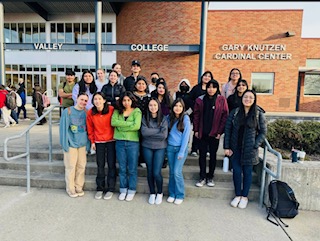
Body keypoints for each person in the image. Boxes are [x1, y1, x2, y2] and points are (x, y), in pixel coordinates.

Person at [224, 90, 267, 209]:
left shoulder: (258, 114)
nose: (247, 99)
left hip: (250, 149)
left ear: (254, 100)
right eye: (245, 97)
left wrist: (256, 144)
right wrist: (226, 147)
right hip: (235, 148)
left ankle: (244, 197)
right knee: (236, 172)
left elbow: (263, 132)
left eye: (250, 98)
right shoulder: (235, 112)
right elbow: (228, 130)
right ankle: (237, 195)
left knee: (247, 173)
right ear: (242, 98)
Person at [193, 79, 229, 187]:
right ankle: (202, 176)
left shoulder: (221, 100)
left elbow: (225, 116)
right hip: (202, 132)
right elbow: (196, 115)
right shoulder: (200, 99)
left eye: (213, 87)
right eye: (209, 87)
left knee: (213, 156)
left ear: (217, 88)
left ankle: (210, 177)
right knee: (202, 155)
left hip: (215, 134)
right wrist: (196, 129)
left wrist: (220, 131)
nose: (211, 89)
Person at [111, 91, 142, 201]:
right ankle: (123, 189)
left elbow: (137, 126)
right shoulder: (117, 111)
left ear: (132, 100)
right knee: (122, 167)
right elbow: (113, 123)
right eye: (124, 100)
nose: (126, 102)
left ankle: (132, 189)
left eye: (128, 100)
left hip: (132, 142)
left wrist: (122, 126)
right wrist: (130, 124)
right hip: (119, 142)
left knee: (132, 168)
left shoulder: (137, 111)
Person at [59, 92, 90, 198]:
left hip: (82, 143)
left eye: (86, 101)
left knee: (81, 166)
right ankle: (70, 188)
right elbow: (63, 129)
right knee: (71, 166)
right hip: (71, 143)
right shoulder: (67, 111)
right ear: (77, 99)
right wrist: (64, 144)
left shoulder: (86, 112)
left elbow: (89, 129)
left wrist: (89, 144)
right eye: (82, 99)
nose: (83, 102)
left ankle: (78, 186)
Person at [86, 92, 116, 200]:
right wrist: (92, 142)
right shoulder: (91, 112)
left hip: (111, 140)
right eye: (95, 99)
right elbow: (90, 128)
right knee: (100, 165)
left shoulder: (112, 109)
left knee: (111, 165)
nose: (97, 101)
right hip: (99, 142)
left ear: (104, 100)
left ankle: (111, 188)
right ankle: (100, 188)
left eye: (99, 99)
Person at [141, 97, 168, 205]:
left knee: (157, 172)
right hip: (147, 146)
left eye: (155, 105)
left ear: (158, 106)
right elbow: (144, 132)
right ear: (148, 106)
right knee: (150, 171)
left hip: (160, 147)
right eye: (151, 105)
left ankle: (160, 192)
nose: (153, 107)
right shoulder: (144, 118)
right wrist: (157, 130)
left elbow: (163, 135)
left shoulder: (164, 119)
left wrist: (150, 132)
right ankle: (152, 193)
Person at [166, 98, 191, 205]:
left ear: (183, 108)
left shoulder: (185, 119)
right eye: (176, 106)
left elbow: (186, 137)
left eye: (180, 106)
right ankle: (172, 193)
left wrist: (181, 151)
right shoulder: (168, 118)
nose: (178, 108)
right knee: (172, 172)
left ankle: (180, 194)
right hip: (170, 148)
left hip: (181, 149)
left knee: (177, 172)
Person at [189, 71, 214, 157]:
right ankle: (194, 149)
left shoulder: (212, 88)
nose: (206, 77)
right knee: (196, 131)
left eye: (209, 76)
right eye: (205, 76)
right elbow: (189, 98)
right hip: (198, 113)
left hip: (208, 114)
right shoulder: (196, 88)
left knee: (207, 132)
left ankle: (206, 150)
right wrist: (194, 107)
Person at [132, 76, 150, 168]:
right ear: (135, 85)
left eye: (143, 84)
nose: (141, 85)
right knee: (135, 141)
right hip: (134, 121)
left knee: (144, 141)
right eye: (139, 83)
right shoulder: (132, 96)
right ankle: (134, 160)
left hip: (145, 122)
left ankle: (142, 159)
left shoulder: (149, 96)